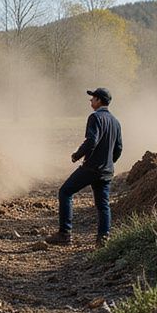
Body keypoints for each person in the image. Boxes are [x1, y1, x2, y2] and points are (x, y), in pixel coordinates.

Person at [46, 87, 122, 247]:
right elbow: (118, 148)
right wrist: (108, 162)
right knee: (103, 204)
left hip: (91, 167)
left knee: (65, 192)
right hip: (106, 170)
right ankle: (103, 239)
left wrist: (77, 155)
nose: (90, 100)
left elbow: (92, 141)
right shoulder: (116, 121)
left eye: (93, 98)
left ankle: (64, 234)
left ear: (99, 100)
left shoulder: (95, 117)